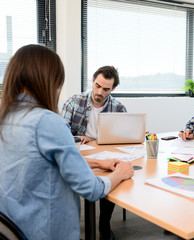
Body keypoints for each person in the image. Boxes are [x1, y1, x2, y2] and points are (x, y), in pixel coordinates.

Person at [0, 44, 134, 240]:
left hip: (14, 227)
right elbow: (91, 189)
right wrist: (121, 173)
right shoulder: (48, 121)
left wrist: (97, 162)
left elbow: (45, 162)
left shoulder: (6, 117)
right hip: (46, 231)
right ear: (50, 81)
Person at [61, 65, 126, 240]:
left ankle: (104, 226)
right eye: (97, 85)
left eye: (106, 89)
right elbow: (61, 133)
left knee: (112, 176)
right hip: (81, 155)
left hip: (106, 155)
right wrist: (76, 137)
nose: (99, 92)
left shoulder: (118, 108)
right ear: (92, 80)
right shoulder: (74, 101)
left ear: (113, 89)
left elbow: (124, 138)